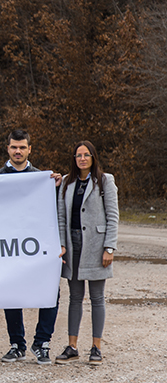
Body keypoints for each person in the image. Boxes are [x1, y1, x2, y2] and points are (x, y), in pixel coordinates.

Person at [0, 129, 62, 365]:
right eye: (14, 147)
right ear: (8, 148)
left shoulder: (44, 179)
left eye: (22, 147)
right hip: (8, 248)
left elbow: (57, 214)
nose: (18, 151)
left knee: (50, 292)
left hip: (39, 248)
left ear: (29, 149)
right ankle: (17, 345)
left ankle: (42, 342)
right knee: (11, 293)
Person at [55, 141, 118, 365]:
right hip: (72, 245)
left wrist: (109, 247)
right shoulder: (66, 182)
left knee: (97, 297)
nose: (82, 159)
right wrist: (62, 244)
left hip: (96, 245)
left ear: (93, 157)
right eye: (78, 155)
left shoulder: (105, 180)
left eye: (86, 154)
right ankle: (72, 346)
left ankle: (96, 347)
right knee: (74, 297)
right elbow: (61, 217)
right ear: (74, 159)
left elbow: (113, 216)